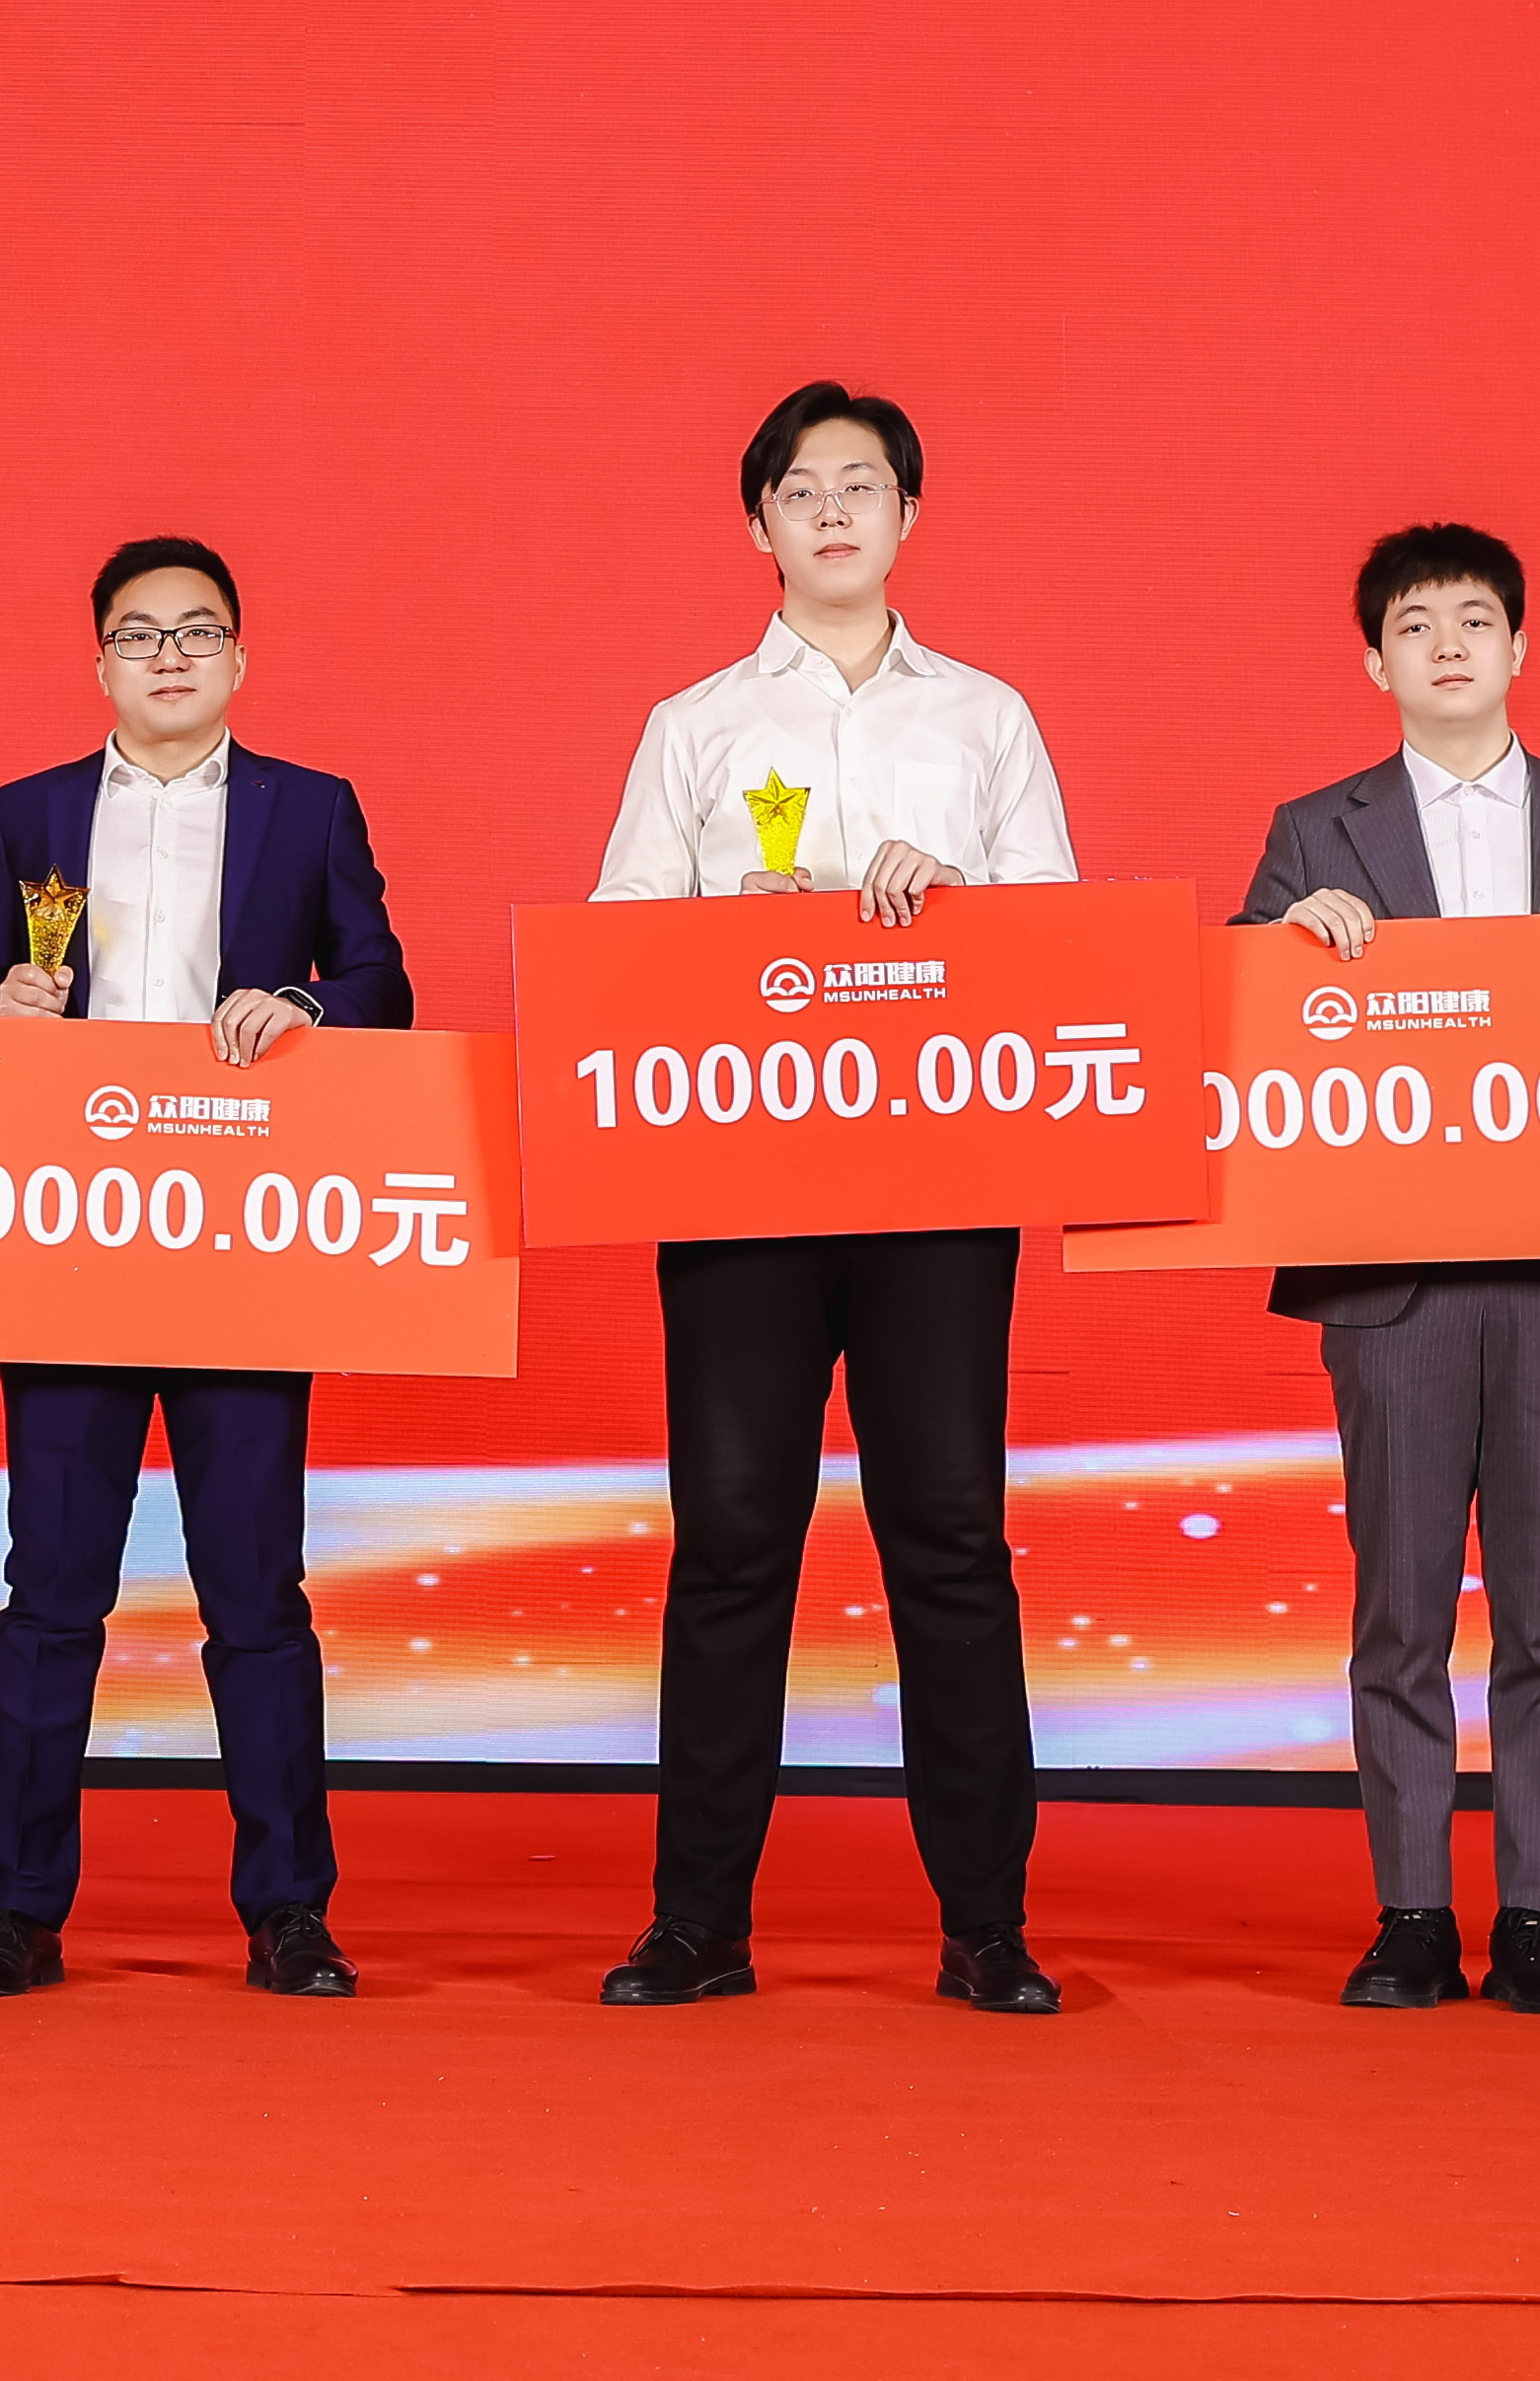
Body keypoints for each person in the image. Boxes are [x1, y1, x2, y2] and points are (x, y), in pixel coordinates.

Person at [586, 382, 1071, 2017]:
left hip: (940, 1192)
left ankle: (988, 1926)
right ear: (761, 525)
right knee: (733, 1546)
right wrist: (739, 926)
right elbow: (616, 943)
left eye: (865, 485)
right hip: (743, 1195)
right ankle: (698, 1925)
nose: (837, 512)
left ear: (909, 515)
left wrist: (963, 899)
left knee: (951, 1540)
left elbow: (1063, 940)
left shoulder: (987, 718)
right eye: (804, 490)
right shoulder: (694, 726)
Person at [0, 537, 414, 2003]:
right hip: (70, 1234)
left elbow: (382, 981)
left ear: (241, 658)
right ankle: (17, 1911)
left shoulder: (310, 809)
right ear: (101, 666)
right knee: (50, 1592)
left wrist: (306, 1003)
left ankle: (289, 1912)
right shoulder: (27, 813)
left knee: (256, 1593)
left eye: (199, 631)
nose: (172, 655)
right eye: (141, 635)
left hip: (239, 1240)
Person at [1237, 524, 1540, 2021]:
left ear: (1520, 648)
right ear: (1375, 661)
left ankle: (1539, 1916)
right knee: (1402, 1606)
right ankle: (1412, 1911)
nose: (1445, 645)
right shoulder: (1316, 831)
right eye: (1415, 625)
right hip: (1395, 1281)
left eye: (1474, 620)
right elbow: (1238, 1011)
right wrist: (1283, 940)